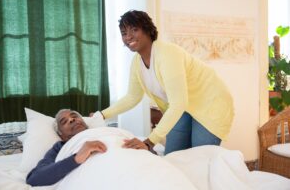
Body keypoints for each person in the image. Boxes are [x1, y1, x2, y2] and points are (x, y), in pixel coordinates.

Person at [95, 10, 234, 155]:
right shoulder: (137, 63)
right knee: (173, 156)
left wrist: (149, 142)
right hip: (183, 108)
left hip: (210, 103)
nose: (128, 36)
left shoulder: (167, 54)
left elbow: (178, 103)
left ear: (147, 30)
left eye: (134, 30)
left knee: (200, 158)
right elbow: (132, 97)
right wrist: (101, 115)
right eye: (124, 33)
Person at [26, 109, 107, 186]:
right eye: (64, 122)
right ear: (61, 134)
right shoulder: (59, 148)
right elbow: (34, 178)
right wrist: (76, 158)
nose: (71, 119)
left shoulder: (105, 132)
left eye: (74, 116)